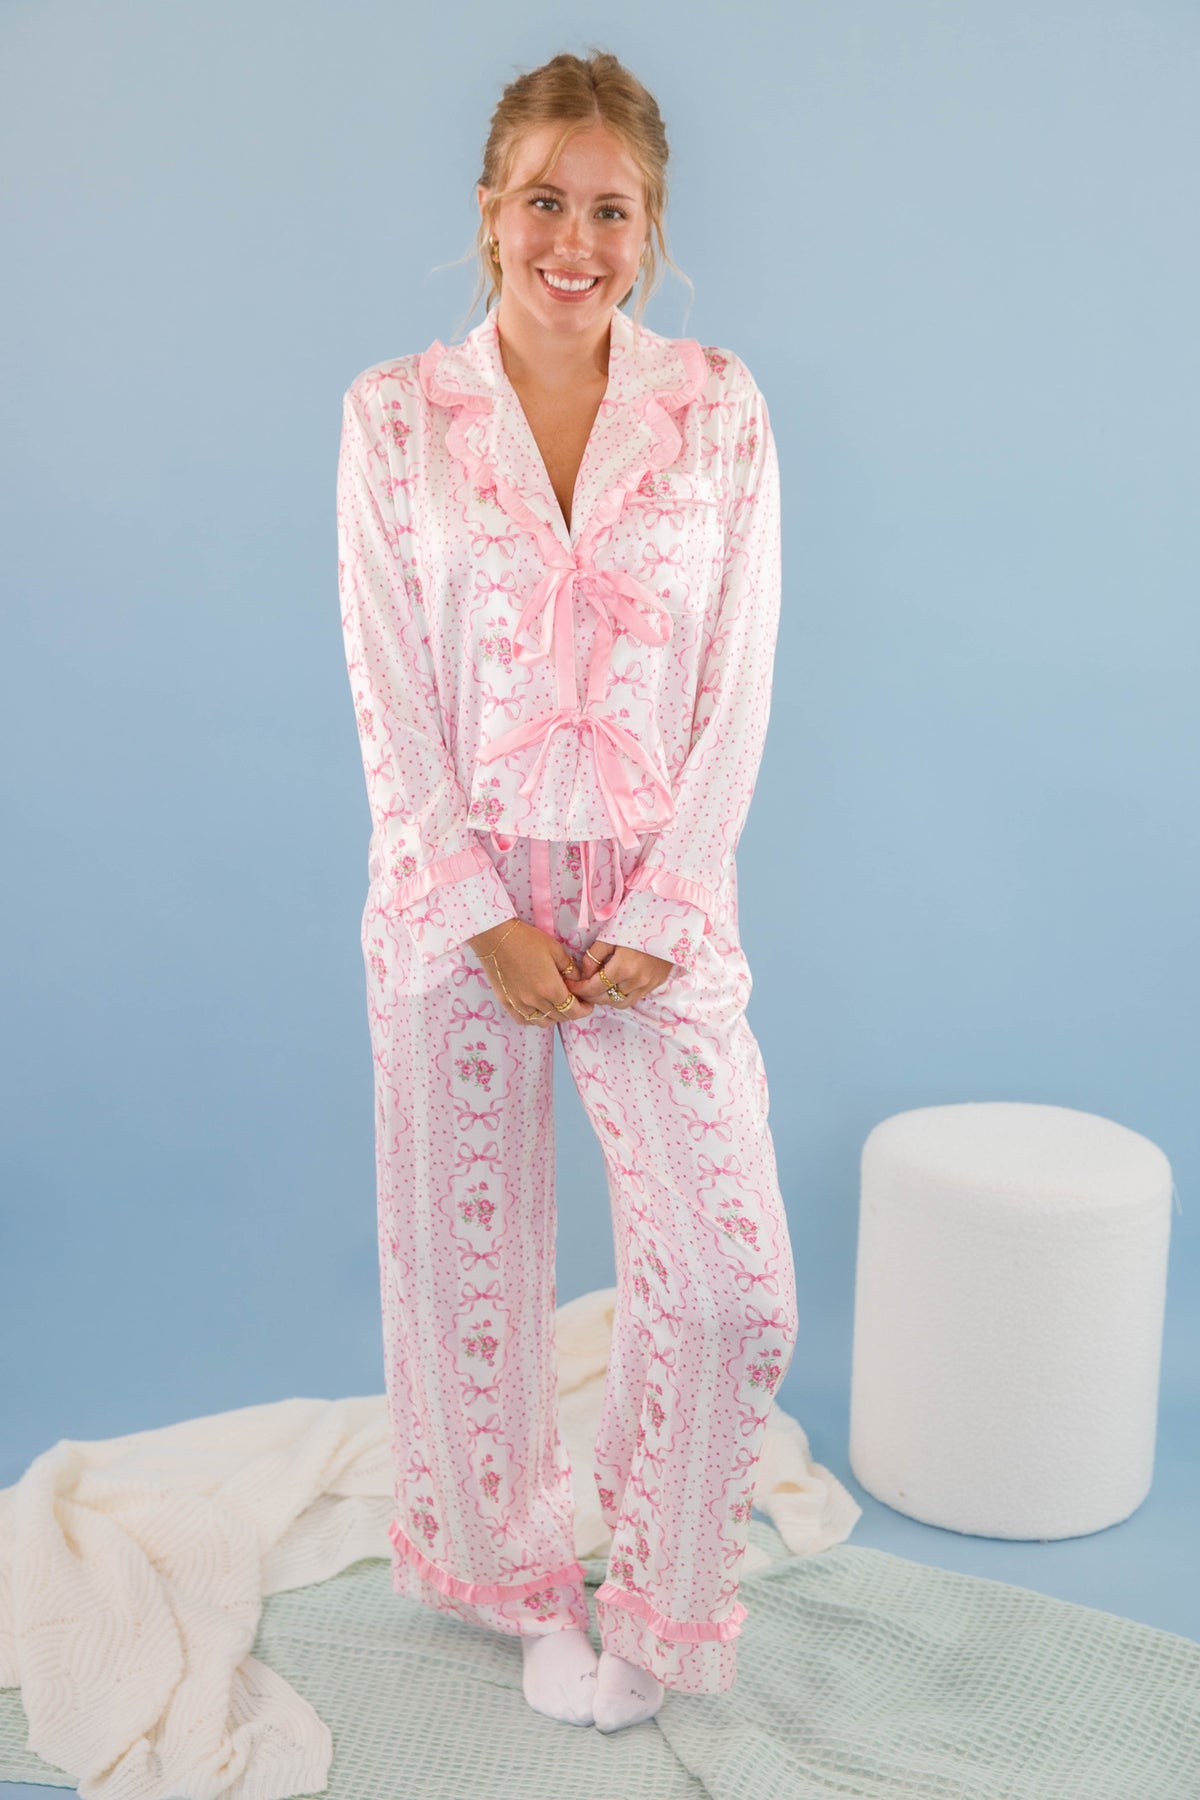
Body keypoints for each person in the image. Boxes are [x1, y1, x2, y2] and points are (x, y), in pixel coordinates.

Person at [335, 48, 799, 1734]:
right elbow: (386, 685)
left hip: (657, 902)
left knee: (734, 1287)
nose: (575, 241)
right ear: (490, 211)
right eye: (546, 200)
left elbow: (739, 680)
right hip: (454, 899)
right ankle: (518, 1584)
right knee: (466, 1285)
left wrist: (667, 909)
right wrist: (479, 912)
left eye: (613, 209)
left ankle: (663, 1602)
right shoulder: (393, 415)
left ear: (650, 227)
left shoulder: (719, 408)